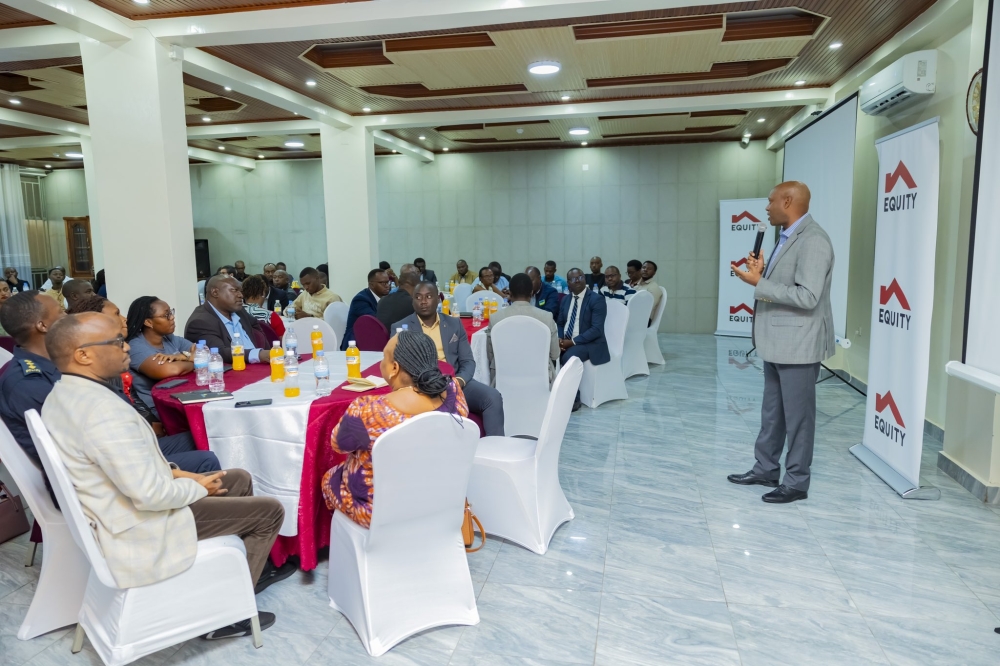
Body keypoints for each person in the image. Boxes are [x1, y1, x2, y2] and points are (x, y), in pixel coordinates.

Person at [41, 313, 290, 636]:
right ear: (83, 355)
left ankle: (225, 577)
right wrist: (197, 488)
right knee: (269, 512)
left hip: (123, 505)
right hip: (140, 525)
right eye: (116, 342)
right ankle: (225, 614)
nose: (126, 348)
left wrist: (180, 473)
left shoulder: (66, 394)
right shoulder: (101, 412)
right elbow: (150, 496)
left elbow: (128, 465)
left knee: (237, 477)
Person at [728, 181, 835, 504]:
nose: (767, 207)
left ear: (788, 201)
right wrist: (763, 275)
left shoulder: (814, 240)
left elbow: (808, 296)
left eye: (771, 201)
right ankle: (765, 468)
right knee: (773, 413)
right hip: (777, 343)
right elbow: (783, 286)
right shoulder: (787, 238)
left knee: (799, 418)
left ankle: (797, 481)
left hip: (799, 345)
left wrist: (759, 282)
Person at [322, 330, 468, 528]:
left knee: (330, 477)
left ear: (394, 368)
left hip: (381, 512)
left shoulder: (368, 410)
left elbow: (337, 444)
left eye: (384, 357)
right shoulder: (453, 392)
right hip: (442, 502)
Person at [72, 295, 220, 474]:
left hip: (141, 435)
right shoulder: (98, 370)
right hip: (133, 453)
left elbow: (130, 396)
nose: (124, 319)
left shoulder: (165, 340)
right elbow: (168, 371)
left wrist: (183, 357)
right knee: (207, 454)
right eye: (117, 314)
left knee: (206, 435)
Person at [394, 282, 504, 436]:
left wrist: (458, 381)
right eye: (418, 297)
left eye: (428, 297)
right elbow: (399, 368)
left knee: (492, 397)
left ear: (439, 299)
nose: (423, 301)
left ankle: (494, 452)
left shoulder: (454, 324)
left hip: (454, 382)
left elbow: (468, 361)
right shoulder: (400, 327)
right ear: (413, 301)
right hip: (421, 387)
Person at [0, 291, 65, 464]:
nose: (68, 317)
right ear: (42, 326)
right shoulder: (26, 383)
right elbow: (71, 441)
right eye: (61, 312)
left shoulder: (58, 364)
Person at [487, 273, 559, 385]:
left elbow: (491, 354)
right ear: (531, 292)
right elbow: (555, 354)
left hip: (503, 379)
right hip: (539, 379)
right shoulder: (546, 317)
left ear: (509, 293)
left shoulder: (495, 318)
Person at [126, 296, 197, 408]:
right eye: (166, 315)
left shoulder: (169, 338)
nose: (172, 317)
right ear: (148, 322)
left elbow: (204, 352)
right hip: (159, 407)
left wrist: (183, 357)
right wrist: (192, 358)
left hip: (181, 397)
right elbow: (170, 370)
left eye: (171, 312)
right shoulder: (135, 346)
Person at [184, 276, 269, 364]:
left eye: (240, 291)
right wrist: (258, 354)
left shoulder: (239, 311)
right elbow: (218, 352)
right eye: (234, 290)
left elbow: (255, 325)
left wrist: (265, 351)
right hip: (231, 371)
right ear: (215, 292)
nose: (241, 295)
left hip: (258, 365)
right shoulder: (200, 322)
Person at [558, 268, 610, 411]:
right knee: (548, 353)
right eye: (574, 279)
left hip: (590, 343)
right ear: (568, 283)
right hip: (568, 340)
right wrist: (560, 339)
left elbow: (597, 329)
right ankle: (555, 394)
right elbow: (561, 322)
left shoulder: (596, 299)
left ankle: (574, 399)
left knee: (568, 357)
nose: (578, 280)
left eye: (580, 277)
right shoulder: (566, 300)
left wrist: (573, 342)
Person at [342, 269, 391, 350]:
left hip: (372, 337)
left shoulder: (386, 297)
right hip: (356, 344)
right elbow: (375, 321)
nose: (387, 286)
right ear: (371, 285)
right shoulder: (361, 300)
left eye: (388, 282)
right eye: (383, 283)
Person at [376, 263, 418, 331]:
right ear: (416, 286)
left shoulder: (382, 300)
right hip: (401, 339)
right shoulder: (413, 303)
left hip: (383, 340)